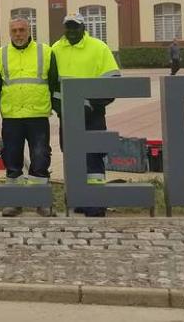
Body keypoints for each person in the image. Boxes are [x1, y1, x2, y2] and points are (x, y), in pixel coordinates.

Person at [50, 12, 121, 217]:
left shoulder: (99, 48)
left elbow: (113, 81)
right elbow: (52, 85)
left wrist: (90, 104)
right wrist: (60, 108)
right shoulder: (55, 50)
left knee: (94, 155)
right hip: (68, 115)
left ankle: (96, 201)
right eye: (68, 27)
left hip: (93, 115)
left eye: (76, 27)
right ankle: (77, 198)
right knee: (72, 155)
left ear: (83, 28)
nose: (72, 31)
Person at [0, 16, 56, 217]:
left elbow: (55, 82)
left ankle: (41, 202)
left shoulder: (45, 52)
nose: (18, 34)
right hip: (11, 116)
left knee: (40, 157)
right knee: (11, 159)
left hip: (37, 115)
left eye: (22, 30)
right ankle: (15, 202)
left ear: (29, 31)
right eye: (15, 31)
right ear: (9, 33)